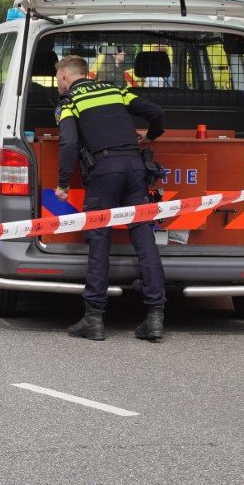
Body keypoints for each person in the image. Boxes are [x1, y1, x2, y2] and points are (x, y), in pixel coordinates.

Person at [52, 55, 168, 341]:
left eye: (57, 78)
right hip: (134, 167)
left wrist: (63, 184)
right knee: (144, 238)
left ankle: (93, 317)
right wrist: (151, 136)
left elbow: (68, 144)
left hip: (104, 174)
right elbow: (155, 112)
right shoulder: (114, 89)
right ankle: (155, 317)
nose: (57, 84)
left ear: (66, 75)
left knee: (99, 240)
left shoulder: (70, 103)